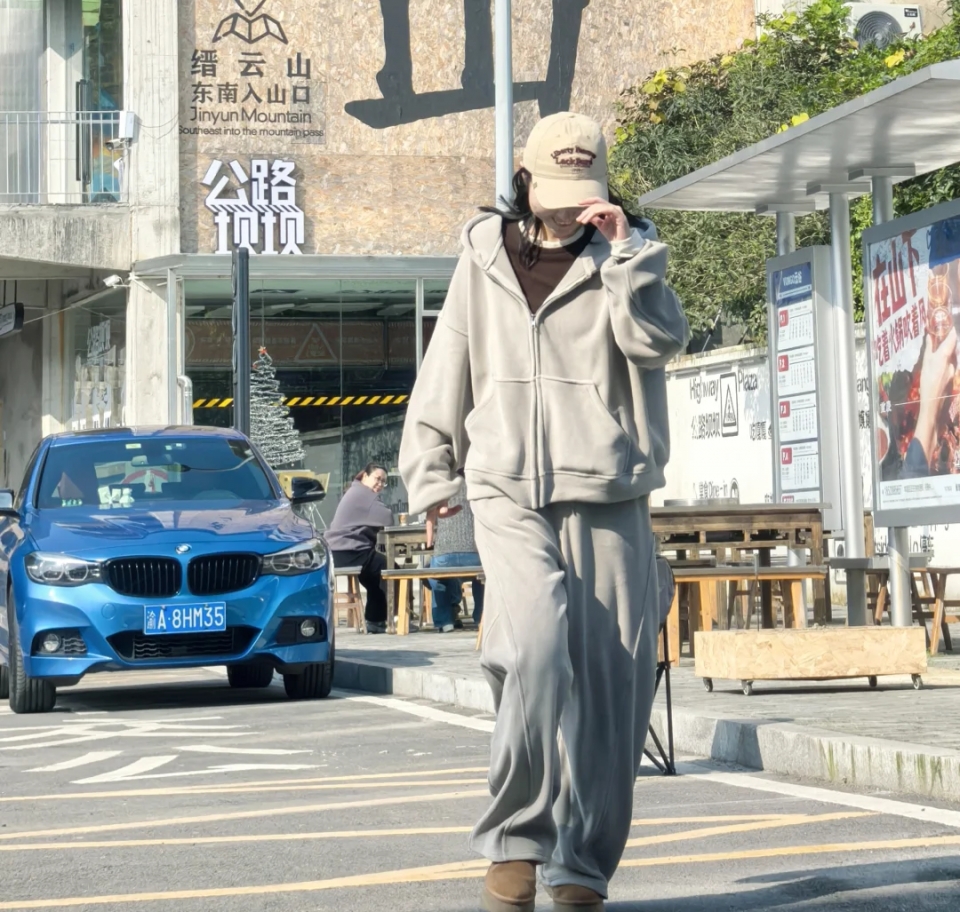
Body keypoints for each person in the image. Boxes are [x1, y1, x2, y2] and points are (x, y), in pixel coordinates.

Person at [400, 111, 689, 912]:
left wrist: (627, 259)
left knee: (610, 689)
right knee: (530, 651)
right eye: (556, 194)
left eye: (583, 195)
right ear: (525, 179)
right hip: (504, 485)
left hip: (610, 488)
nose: (569, 212)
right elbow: (447, 362)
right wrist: (429, 471)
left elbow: (657, 344)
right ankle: (516, 840)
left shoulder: (628, 253)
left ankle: (581, 868)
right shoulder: (481, 256)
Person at [325, 463, 393, 634]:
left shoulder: (355, 491)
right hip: (349, 550)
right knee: (391, 570)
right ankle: (393, 618)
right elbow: (388, 518)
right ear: (365, 476)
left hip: (338, 551)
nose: (380, 484)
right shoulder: (364, 494)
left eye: (383, 482)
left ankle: (376, 620)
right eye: (377, 479)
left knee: (376, 574)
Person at [426, 476, 484, 633]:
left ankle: (445, 621)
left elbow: (430, 520)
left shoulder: (439, 484)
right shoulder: (476, 482)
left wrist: (430, 543)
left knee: (435, 576)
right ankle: (481, 617)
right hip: (474, 552)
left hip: (444, 553)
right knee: (483, 576)